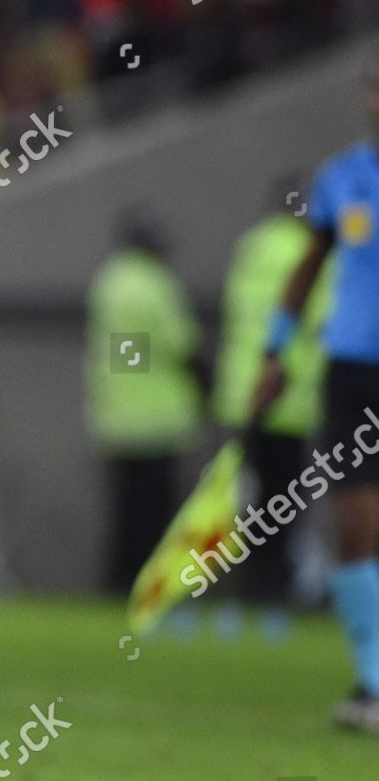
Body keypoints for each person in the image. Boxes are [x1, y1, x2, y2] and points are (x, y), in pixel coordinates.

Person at [258, 56, 379, 730]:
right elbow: (307, 271)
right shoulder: (342, 179)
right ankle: (372, 684)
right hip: (355, 370)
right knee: (356, 524)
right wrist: (275, 351)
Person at [212, 183, 332, 630]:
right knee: (282, 503)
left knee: (242, 500)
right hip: (289, 394)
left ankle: (233, 591)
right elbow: (320, 320)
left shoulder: (250, 246)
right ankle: (273, 591)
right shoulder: (308, 252)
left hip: (241, 392)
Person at [85, 212, 204, 593]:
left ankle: (117, 583)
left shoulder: (109, 282)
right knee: (156, 514)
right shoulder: (156, 285)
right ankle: (153, 585)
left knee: (125, 512)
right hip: (158, 417)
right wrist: (207, 386)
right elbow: (181, 345)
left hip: (116, 414)